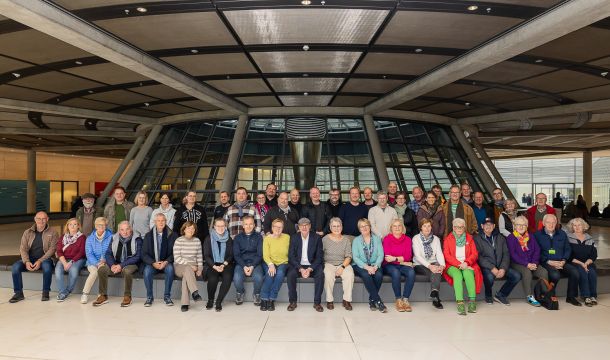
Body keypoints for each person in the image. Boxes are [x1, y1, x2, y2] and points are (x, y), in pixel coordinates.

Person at [9, 211, 58, 303]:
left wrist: (40, 261)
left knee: (47, 268)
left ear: (47, 219)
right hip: (30, 258)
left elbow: (52, 249)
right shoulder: (27, 232)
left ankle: (45, 292)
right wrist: (26, 261)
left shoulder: (53, 232)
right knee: (15, 267)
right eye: (39, 218)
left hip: (46, 259)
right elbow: (23, 249)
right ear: (35, 219)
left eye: (44, 219)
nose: (41, 221)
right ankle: (18, 293)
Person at [534, 214, 581, 306]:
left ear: (556, 223)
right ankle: (550, 294)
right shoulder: (537, 235)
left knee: (575, 272)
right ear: (543, 223)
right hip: (546, 262)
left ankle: (571, 297)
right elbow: (536, 252)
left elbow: (568, 249)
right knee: (555, 275)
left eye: (553, 222)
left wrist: (564, 260)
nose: (551, 225)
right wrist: (548, 261)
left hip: (561, 261)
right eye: (548, 222)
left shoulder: (562, 234)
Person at [93, 221, 142, 307]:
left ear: (130, 229)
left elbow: (137, 257)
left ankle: (127, 296)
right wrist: (112, 265)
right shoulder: (114, 238)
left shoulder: (137, 239)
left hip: (131, 263)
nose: (125, 232)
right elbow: (108, 253)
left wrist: (121, 265)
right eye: (122, 230)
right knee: (102, 269)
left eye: (127, 229)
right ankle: (103, 295)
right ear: (119, 231)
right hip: (116, 263)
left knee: (127, 271)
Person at [473, 218, 520, 305]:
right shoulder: (477, 238)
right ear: (482, 226)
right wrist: (492, 268)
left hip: (500, 265)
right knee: (489, 277)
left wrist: (503, 268)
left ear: (494, 226)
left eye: (490, 224)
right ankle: (488, 295)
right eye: (486, 225)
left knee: (516, 276)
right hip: (487, 266)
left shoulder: (500, 237)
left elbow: (506, 254)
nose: (488, 226)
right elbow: (478, 257)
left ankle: (501, 295)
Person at [442, 218, 483, 315]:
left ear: (464, 227)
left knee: (468, 274)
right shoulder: (448, 239)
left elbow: (474, 254)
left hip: (467, 264)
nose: (459, 229)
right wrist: (459, 264)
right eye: (457, 227)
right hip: (452, 265)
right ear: (453, 227)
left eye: (461, 227)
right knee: (458, 276)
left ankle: (472, 302)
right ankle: (460, 302)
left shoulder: (470, 238)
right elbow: (446, 255)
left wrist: (466, 263)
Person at [506, 216, 547, 306]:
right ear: (514, 226)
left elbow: (537, 250)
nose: (521, 227)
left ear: (527, 226)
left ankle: (544, 295)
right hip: (517, 263)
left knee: (543, 272)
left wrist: (534, 263)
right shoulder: (511, 237)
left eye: (523, 225)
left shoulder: (531, 236)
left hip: (532, 262)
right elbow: (513, 254)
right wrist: (527, 264)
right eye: (518, 225)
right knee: (527, 272)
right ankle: (529, 296)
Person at [287, 217, 325, 312]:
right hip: (298, 265)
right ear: (298, 227)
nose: (304, 227)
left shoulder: (316, 238)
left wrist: (310, 269)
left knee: (320, 274)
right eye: (301, 225)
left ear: (310, 226)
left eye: (306, 225)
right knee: (290, 275)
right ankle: (292, 302)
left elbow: (319, 257)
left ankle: (317, 303)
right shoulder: (294, 237)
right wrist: (300, 268)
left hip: (312, 265)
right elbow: (291, 256)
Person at [141, 213, 177, 307]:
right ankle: (149, 297)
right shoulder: (148, 236)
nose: (161, 222)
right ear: (155, 222)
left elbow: (175, 253)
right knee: (147, 271)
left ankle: (167, 296)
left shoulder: (172, 235)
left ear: (166, 221)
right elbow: (144, 254)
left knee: (170, 269)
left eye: (163, 220)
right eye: (158, 221)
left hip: (166, 262)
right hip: (152, 263)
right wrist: (153, 263)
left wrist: (166, 262)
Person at [352, 218, 387, 312]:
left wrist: (375, 266)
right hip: (360, 265)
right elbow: (355, 257)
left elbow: (381, 254)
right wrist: (367, 267)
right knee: (366, 275)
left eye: (366, 225)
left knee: (379, 275)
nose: (364, 228)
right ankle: (378, 301)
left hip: (375, 264)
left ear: (370, 227)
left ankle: (372, 300)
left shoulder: (377, 239)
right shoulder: (356, 240)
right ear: (359, 229)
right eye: (361, 226)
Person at [382, 219, 416, 312]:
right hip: (389, 265)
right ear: (391, 228)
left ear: (403, 228)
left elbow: (408, 256)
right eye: (394, 226)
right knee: (396, 273)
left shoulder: (408, 239)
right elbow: (388, 258)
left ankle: (405, 299)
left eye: (399, 226)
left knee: (411, 272)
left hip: (399, 264)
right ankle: (398, 300)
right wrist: (402, 260)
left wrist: (395, 259)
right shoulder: (387, 239)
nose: (397, 228)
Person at [322, 217, 354, 311]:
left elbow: (349, 256)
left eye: (338, 226)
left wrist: (342, 267)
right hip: (328, 263)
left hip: (343, 263)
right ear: (330, 228)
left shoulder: (346, 240)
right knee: (328, 275)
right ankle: (329, 300)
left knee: (349, 275)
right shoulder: (325, 239)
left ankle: (346, 300)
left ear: (342, 227)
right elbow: (320, 254)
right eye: (334, 226)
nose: (336, 228)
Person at [412, 218, 445, 309]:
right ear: (421, 228)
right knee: (434, 271)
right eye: (424, 226)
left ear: (431, 227)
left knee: (437, 269)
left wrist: (442, 265)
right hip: (419, 264)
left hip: (434, 262)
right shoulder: (416, 238)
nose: (427, 228)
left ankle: (434, 293)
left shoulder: (436, 239)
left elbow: (439, 253)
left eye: (429, 226)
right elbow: (418, 256)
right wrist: (430, 266)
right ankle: (436, 298)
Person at [203, 218, 234, 311]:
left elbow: (231, 255)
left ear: (225, 227)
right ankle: (210, 299)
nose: (220, 228)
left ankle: (219, 301)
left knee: (228, 277)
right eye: (218, 226)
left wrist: (223, 265)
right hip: (212, 264)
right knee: (213, 278)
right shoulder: (208, 238)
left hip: (226, 264)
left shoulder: (229, 239)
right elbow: (207, 256)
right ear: (214, 227)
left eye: (222, 226)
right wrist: (215, 266)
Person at [233, 215, 264, 306]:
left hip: (256, 263)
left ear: (254, 225)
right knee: (237, 278)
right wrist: (244, 266)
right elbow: (237, 255)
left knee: (258, 277)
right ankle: (240, 292)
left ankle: (256, 294)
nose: (248, 226)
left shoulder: (259, 237)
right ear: (243, 225)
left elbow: (259, 254)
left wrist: (252, 266)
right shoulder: (237, 238)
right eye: (246, 224)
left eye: (251, 224)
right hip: (241, 263)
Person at [566, 218, 598, 306]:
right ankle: (586, 296)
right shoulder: (568, 237)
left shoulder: (589, 238)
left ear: (583, 226)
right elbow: (568, 255)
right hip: (574, 262)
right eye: (574, 225)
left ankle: (593, 296)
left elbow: (594, 254)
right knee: (582, 271)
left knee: (592, 272)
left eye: (579, 225)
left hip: (587, 262)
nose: (577, 227)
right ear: (571, 227)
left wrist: (587, 263)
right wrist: (581, 264)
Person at [173, 221, 203, 312]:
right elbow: (177, 258)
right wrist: (190, 265)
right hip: (179, 266)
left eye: (193, 228)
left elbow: (199, 256)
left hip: (192, 268)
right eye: (189, 228)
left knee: (186, 278)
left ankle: (185, 304)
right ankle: (195, 292)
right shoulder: (179, 240)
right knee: (187, 269)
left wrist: (200, 269)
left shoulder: (197, 241)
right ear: (184, 229)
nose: (191, 230)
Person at [260, 218, 290, 311]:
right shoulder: (267, 239)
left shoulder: (287, 237)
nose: (277, 229)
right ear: (272, 227)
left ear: (283, 228)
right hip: (269, 262)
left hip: (283, 262)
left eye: (280, 227)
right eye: (276, 227)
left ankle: (272, 299)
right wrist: (270, 264)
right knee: (270, 275)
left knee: (280, 274)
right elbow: (265, 254)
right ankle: (264, 299)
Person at [81, 217, 112, 304]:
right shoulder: (90, 238)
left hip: (106, 261)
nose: (102, 227)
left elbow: (111, 251)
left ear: (106, 226)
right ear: (95, 226)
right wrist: (97, 263)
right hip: (92, 262)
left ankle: (101, 294)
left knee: (102, 270)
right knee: (94, 272)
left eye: (104, 225)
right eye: (99, 225)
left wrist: (104, 260)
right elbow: (89, 254)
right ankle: (85, 294)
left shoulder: (111, 237)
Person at [54, 218, 86, 302]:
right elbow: (59, 251)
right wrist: (64, 263)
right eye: (70, 224)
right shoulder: (63, 237)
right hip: (64, 259)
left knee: (74, 270)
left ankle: (67, 291)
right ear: (67, 226)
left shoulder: (82, 237)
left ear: (78, 226)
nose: (72, 226)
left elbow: (81, 252)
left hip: (78, 259)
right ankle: (62, 292)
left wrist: (71, 262)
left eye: (75, 224)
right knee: (57, 270)